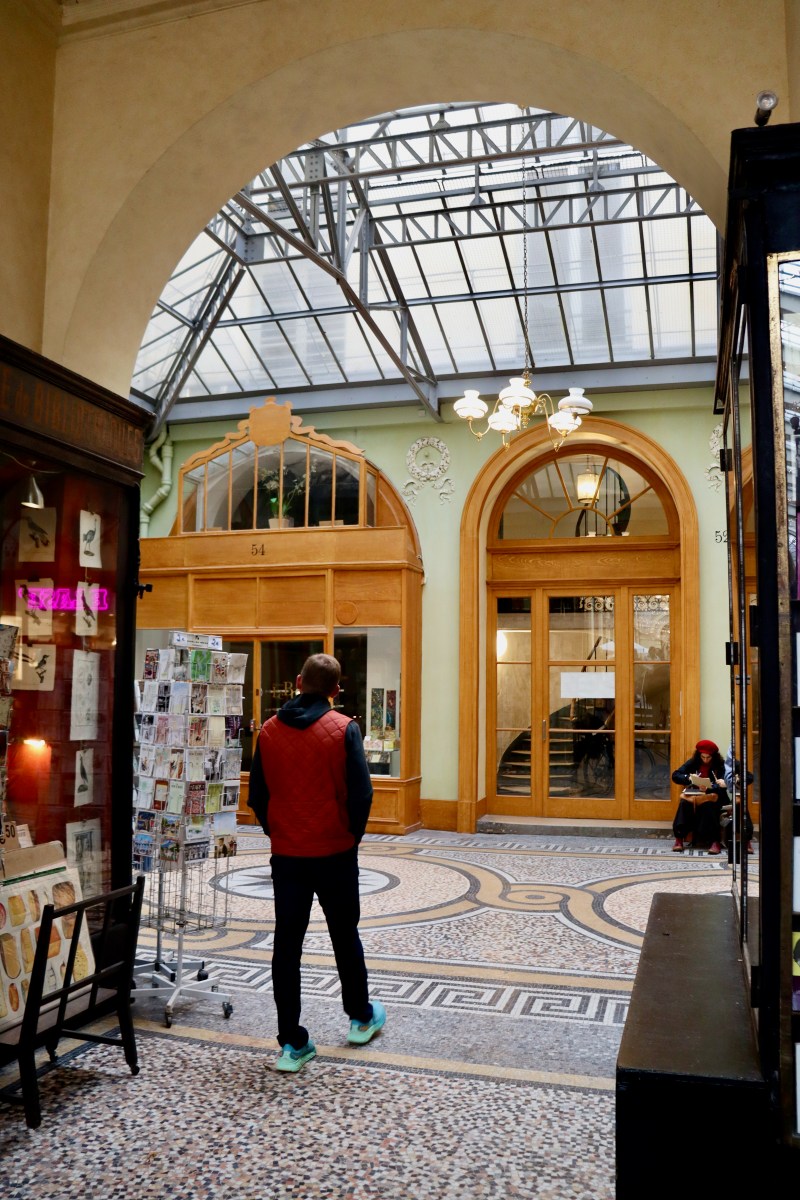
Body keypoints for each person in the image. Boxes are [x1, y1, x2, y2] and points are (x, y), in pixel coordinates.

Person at [248, 653, 384, 1072]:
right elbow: (362, 794)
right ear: (335, 690)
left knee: (287, 944)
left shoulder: (268, 731)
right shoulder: (345, 729)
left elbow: (257, 795)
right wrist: (350, 836)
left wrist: (279, 832)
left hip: (288, 855)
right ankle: (360, 1018)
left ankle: (292, 1043)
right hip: (335, 853)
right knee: (345, 934)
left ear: (297, 681)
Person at [670, 739, 728, 854]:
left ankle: (714, 841)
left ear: (714, 756)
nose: (705, 760)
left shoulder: (720, 765)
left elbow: (724, 785)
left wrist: (709, 787)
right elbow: (676, 775)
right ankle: (679, 838)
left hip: (714, 796)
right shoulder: (693, 762)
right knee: (684, 804)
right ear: (699, 755)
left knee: (709, 806)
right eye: (703, 757)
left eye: (708, 757)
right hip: (696, 795)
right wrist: (689, 778)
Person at [723, 744, 755, 855]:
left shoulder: (734, 764)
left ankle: (746, 839)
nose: (706, 760)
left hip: (734, 799)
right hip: (718, 798)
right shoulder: (717, 765)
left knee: (739, 805)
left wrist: (736, 781)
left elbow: (750, 777)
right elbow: (677, 774)